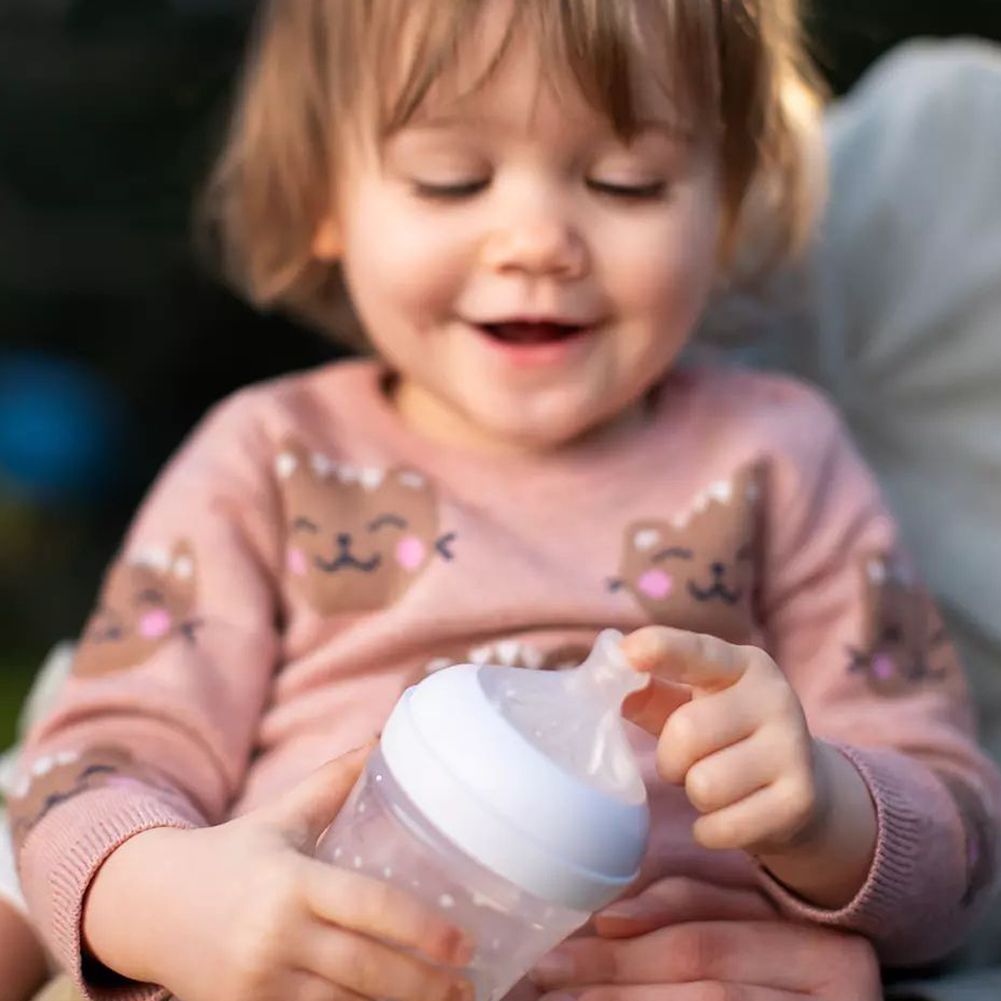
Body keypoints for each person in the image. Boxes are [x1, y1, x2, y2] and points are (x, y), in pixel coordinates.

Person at [7, 2, 1000, 1000]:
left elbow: (962, 839)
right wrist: (163, 899)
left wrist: (826, 811)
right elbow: (86, 763)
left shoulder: (780, 458)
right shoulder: (269, 460)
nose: (536, 242)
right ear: (323, 196)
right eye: (452, 179)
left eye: (626, 182)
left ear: (727, 204)